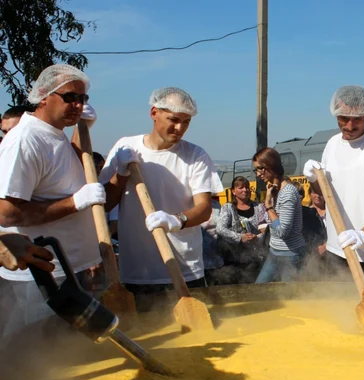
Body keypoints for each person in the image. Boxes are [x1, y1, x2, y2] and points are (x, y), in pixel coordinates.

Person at [0, 64, 104, 340]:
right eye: (70, 97)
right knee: (41, 350)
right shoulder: (25, 140)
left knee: (73, 349)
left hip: (72, 268)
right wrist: (75, 202)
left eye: (83, 99)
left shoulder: (53, 133)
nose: (78, 105)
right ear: (42, 96)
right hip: (43, 275)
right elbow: (7, 213)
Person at [99, 87, 223, 310]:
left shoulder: (196, 155)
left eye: (186, 122)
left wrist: (177, 220)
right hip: (137, 272)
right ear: (154, 113)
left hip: (185, 269)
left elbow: (204, 208)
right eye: (174, 119)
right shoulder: (125, 147)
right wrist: (121, 175)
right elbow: (105, 204)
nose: (180, 128)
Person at [303, 85, 364, 283]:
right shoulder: (332, 145)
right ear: (335, 114)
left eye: (357, 119)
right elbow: (322, 197)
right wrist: (313, 180)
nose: (349, 126)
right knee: (338, 310)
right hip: (337, 250)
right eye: (343, 118)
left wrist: (363, 235)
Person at [253, 148, 305, 283]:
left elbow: (282, 231)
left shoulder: (288, 193)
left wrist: (268, 206)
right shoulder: (275, 190)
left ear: (270, 166)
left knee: (289, 297)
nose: (258, 174)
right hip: (274, 252)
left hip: (289, 255)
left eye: (259, 169)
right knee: (259, 289)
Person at [216, 176, 267, 283]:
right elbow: (220, 229)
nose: (245, 190)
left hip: (254, 259)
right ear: (233, 191)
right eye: (241, 188)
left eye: (247, 187)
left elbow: (267, 229)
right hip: (233, 260)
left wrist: (257, 238)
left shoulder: (259, 207)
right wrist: (240, 237)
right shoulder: (228, 208)